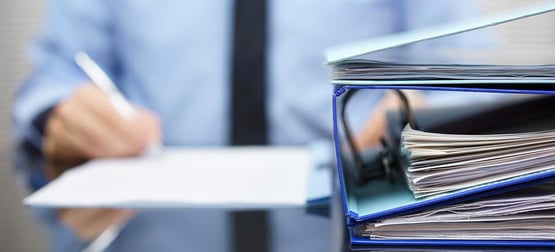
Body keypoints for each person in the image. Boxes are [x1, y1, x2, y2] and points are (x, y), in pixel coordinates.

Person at [12, 0, 489, 251]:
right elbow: (60, 68)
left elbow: (468, 62)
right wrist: (61, 110)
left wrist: (423, 104)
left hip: (359, 200)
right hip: (145, 219)